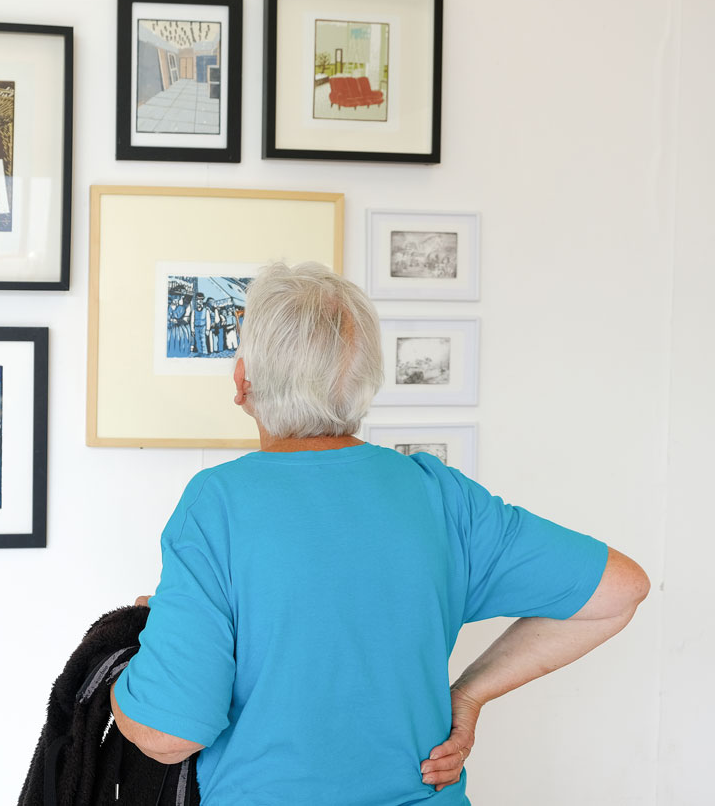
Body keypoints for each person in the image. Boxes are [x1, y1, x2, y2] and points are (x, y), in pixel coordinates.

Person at [110, 262, 648, 804]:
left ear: (242, 381)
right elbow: (620, 591)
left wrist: (129, 657)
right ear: (365, 381)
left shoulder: (217, 503)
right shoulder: (440, 494)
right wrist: (467, 696)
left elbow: (167, 735)